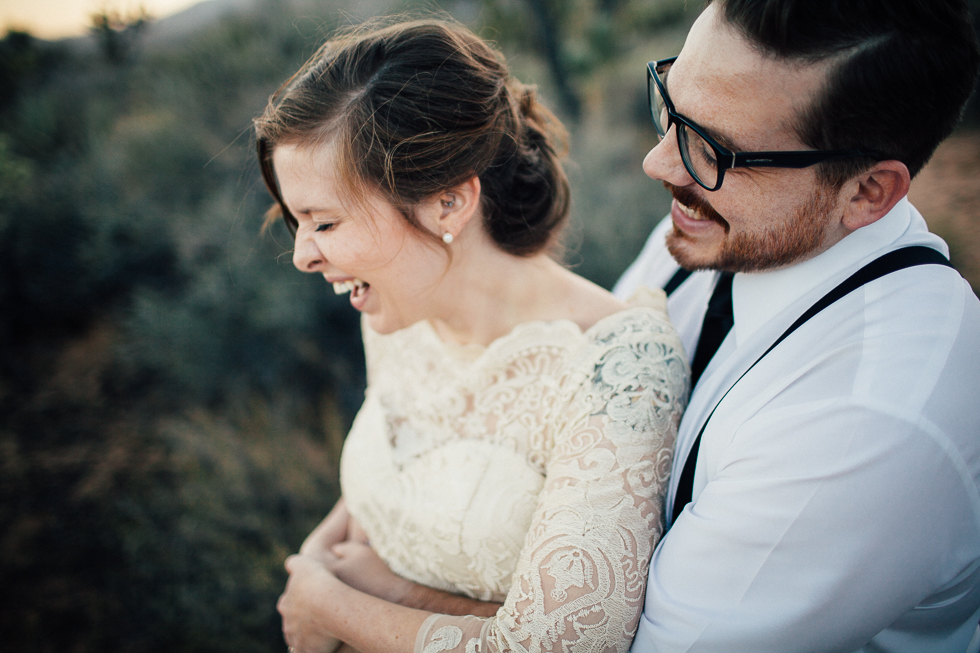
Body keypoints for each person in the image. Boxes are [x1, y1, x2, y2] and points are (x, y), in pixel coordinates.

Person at [253, 19, 688, 653]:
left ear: (449, 203)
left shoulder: (617, 369)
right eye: (296, 221)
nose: (302, 255)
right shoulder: (396, 311)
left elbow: (559, 645)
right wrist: (311, 566)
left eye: (324, 222)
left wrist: (333, 605)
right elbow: (385, 488)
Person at [612, 0, 980, 651]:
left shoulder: (867, 418)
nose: (660, 163)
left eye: (714, 147)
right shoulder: (722, 221)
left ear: (867, 192)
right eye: (671, 107)